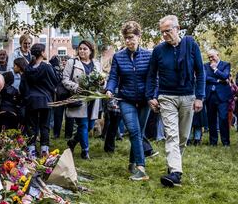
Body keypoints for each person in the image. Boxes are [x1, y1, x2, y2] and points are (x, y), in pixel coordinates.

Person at [146, 15, 205, 187]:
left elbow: (200, 73)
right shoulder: (158, 50)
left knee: (183, 137)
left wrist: (200, 97)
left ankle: (172, 166)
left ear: (177, 28)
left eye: (168, 31)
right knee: (171, 134)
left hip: (188, 96)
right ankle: (176, 173)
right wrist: (151, 96)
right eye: (162, 32)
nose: (165, 35)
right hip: (167, 97)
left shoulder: (191, 45)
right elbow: (151, 75)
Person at [106, 21, 153, 181]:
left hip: (145, 100)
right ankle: (141, 168)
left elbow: (153, 78)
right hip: (126, 99)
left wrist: (152, 96)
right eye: (126, 38)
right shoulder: (118, 57)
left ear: (139, 37)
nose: (128, 41)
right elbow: (113, 77)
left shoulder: (149, 55)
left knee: (139, 133)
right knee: (133, 131)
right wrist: (110, 89)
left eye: (131, 37)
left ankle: (133, 162)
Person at [62, 40, 102, 159]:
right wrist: (75, 87)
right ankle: (85, 151)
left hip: (93, 98)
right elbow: (64, 79)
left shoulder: (96, 64)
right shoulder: (72, 62)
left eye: (85, 49)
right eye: (80, 49)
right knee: (83, 124)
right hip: (80, 98)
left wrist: (102, 83)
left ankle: (73, 141)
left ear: (91, 51)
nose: (82, 51)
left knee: (90, 125)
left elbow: (101, 80)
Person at [20, 43, 58, 156]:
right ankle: (44, 150)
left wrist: (27, 97)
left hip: (31, 101)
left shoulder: (27, 69)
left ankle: (31, 150)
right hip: (45, 100)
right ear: (41, 53)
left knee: (31, 126)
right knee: (44, 125)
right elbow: (55, 82)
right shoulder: (47, 67)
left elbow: (22, 86)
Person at [204, 49, 232, 146]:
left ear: (217, 54)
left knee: (223, 119)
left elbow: (225, 76)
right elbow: (205, 77)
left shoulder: (225, 65)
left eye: (212, 56)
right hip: (210, 96)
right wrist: (219, 81)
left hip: (222, 96)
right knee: (211, 120)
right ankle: (213, 142)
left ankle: (225, 142)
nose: (211, 59)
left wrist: (215, 69)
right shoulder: (205, 66)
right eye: (209, 57)